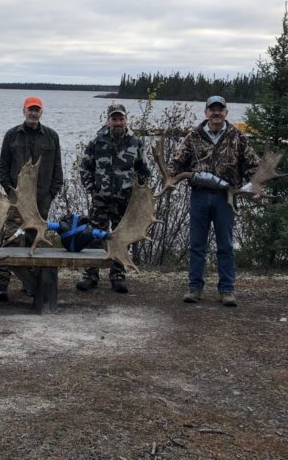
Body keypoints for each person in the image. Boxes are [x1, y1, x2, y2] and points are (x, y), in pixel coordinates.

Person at [169, 95, 259, 307]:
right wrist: (170, 179)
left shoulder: (238, 137)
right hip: (199, 196)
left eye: (220, 109)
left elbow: (253, 165)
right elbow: (177, 163)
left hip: (226, 198)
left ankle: (226, 290)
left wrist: (257, 185)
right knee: (197, 245)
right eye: (212, 109)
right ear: (206, 112)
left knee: (225, 245)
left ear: (226, 112)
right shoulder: (193, 136)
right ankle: (195, 288)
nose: (216, 113)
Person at [0, 96, 64, 301]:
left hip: (41, 202)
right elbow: (3, 169)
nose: (33, 113)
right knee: (10, 240)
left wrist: (50, 195)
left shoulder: (52, 137)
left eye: (37, 110)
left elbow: (57, 170)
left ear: (41, 112)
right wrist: (11, 194)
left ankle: (31, 285)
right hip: (17, 203)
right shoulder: (12, 136)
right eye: (30, 109)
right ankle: (2, 285)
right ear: (23, 111)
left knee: (34, 242)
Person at [76, 103, 150, 294]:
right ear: (108, 120)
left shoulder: (136, 143)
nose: (118, 122)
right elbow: (85, 167)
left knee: (120, 238)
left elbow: (144, 171)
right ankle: (90, 275)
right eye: (114, 119)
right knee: (94, 236)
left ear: (126, 120)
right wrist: (92, 189)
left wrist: (137, 195)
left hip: (124, 201)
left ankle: (118, 275)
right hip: (101, 199)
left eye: (121, 119)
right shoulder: (97, 142)